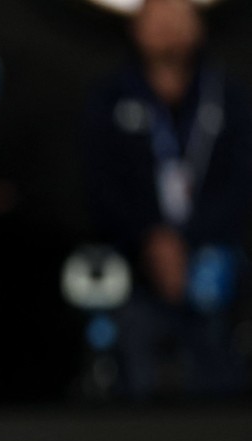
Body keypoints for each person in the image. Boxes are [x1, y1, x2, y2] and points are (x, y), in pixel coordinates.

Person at [83, 0, 252, 399]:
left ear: (199, 28)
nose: (168, 29)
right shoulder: (109, 99)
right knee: (132, 365)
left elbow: (240, 183)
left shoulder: (228, 98)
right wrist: (150, 239)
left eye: (179, 17)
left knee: (220, 374)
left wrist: (191, 241)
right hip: (136, 270)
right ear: (137, 28)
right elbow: (100, 185)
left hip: (215, 271)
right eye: (157, 18)